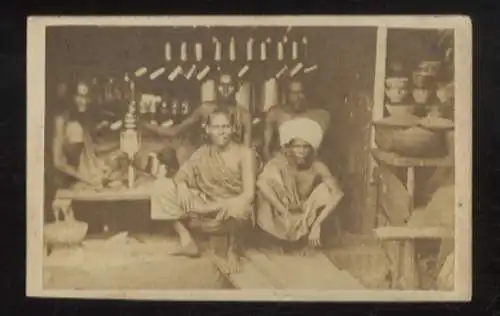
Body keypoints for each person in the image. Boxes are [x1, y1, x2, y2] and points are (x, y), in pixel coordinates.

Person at [150, 108, 256, 273]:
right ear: (208, 129)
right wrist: (183, 187)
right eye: (216, 127)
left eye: (225, 127)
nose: (221, 132)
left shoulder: (245, 153)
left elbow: (248, 195)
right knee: (162, 187)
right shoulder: (203, 153)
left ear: (233, 128)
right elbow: (182, 174)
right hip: (206, 206)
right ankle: (187, 240)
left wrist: (225, 205)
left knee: (241, 209)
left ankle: (232, 250)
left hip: (231, 210)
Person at [256, 118, 343, 252]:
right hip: (281, 212)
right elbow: (261, 183)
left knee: (325, 191)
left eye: (305, 146)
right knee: (265, 187)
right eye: (297, 146)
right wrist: (284, 212)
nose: (301, 151)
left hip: (305, 213)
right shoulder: (279, 162)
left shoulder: (317, 166)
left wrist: (317, 224)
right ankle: (275, 241)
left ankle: (308, 241)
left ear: (311, 148)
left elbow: (337, 193)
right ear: (289, 148)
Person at [51, 80, 124, 220]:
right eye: (79, 96)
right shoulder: (61, 119)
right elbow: (58, 162)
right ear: (71, 97)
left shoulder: (79, 117)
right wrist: (88, 179)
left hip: (78, 177)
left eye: (86, 96)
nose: (84, 101)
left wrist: (119, 145)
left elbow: (91, 148)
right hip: (62, 180)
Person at [143, 74, 253, 150]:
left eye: (230, 86)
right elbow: (175, 131)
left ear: (236, 88)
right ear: (216, 87)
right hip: (207, 164)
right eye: (221, 86)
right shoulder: (205, 109)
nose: (225, 90)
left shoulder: (244, 115)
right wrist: (147, 125)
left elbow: (246, 150)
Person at [263, 80, 331, 161]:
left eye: (300, 92)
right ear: (288, 95)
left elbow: (322, 148)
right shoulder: (276, 113)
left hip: (310, 163)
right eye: (293, 93)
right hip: (284, 161)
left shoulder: (321, 116)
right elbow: (266, 148)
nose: (298, 97)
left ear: (307, 93)